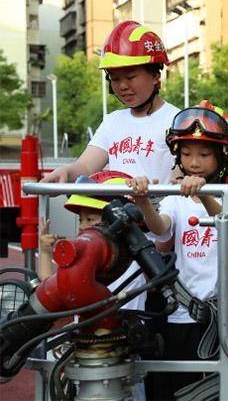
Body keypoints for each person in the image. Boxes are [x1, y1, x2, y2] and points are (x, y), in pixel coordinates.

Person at [127, 101, 228, 399]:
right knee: (179, 387)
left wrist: (204, 193)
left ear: (223, 156)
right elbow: (161, 228)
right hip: (182, 312)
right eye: (186, 153)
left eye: (204, 154)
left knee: (221, 387)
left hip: (224, 313)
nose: (194, 161)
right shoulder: (174, 199)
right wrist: (143, 199)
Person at [38, 170, 147, 400]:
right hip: (87, 354)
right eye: (81, 220)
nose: (82, 227)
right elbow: (52, 288)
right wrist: (46, 253)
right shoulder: (81, 263)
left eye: (91, 220)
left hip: (123, 356)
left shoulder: (137, 260)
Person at [41, 21, 180, 185]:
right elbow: (86, 166)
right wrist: (64, 172)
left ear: (155, 76)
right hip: (117, 210)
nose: (122, 86)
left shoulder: (178, 121)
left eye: (130, 77)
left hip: (159, 211)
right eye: (114, 78)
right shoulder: (112, 122)